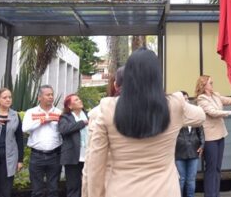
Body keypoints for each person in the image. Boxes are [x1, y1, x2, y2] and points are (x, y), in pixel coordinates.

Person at [85, 48, 206, 196]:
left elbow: (95, 165)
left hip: (122, 191)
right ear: (157, 76)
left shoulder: (107, 108)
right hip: (164, 191)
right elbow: (200, 116)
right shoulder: (175, 105)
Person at [82, 65, 125, 197]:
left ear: (115, 85)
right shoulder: (163, 110)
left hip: (112, 183)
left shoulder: (100, 112)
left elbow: (92, 160)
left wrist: (87, 192)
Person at [194, 75, 231, 197]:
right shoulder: (201, 99)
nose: (212, 84)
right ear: (204, 85)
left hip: (220, 135)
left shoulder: (215, 95)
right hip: (210, 138)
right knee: (211, 168)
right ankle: (210, 194)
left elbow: (230, 100)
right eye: (210, 83)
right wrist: (230, 112)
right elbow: (213, 112)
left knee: (218, 168)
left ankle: (216, 194)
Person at [22, 85, 62, 197]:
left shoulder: (59, 112)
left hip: (55, 155)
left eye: (52, 94)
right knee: (36, 190)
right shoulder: (31, 112)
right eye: (48, 95)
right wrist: (42, 120)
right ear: (39, 97)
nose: (51, 97)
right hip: (37, 156)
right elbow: (25, 128)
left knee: (53, 189)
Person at [175, 91, 204, 197]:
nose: (186, 101)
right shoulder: (175, 115)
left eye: (187, 99)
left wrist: (202, 145)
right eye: (184, 99)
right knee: (181, 179)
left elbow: (201, 131)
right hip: (179, 152)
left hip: (194, 150)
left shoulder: (194, 114)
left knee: (191, 179)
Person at [59, 94, 89, 197]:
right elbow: (64, 129)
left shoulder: (89, 115)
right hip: (72, 157)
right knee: (73, 187)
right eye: (76, 100)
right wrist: (82, 123)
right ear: (70, 106)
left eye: (79, 99)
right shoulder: (65, 117)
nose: (80, 100)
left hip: (89, 155)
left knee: (89, 185)